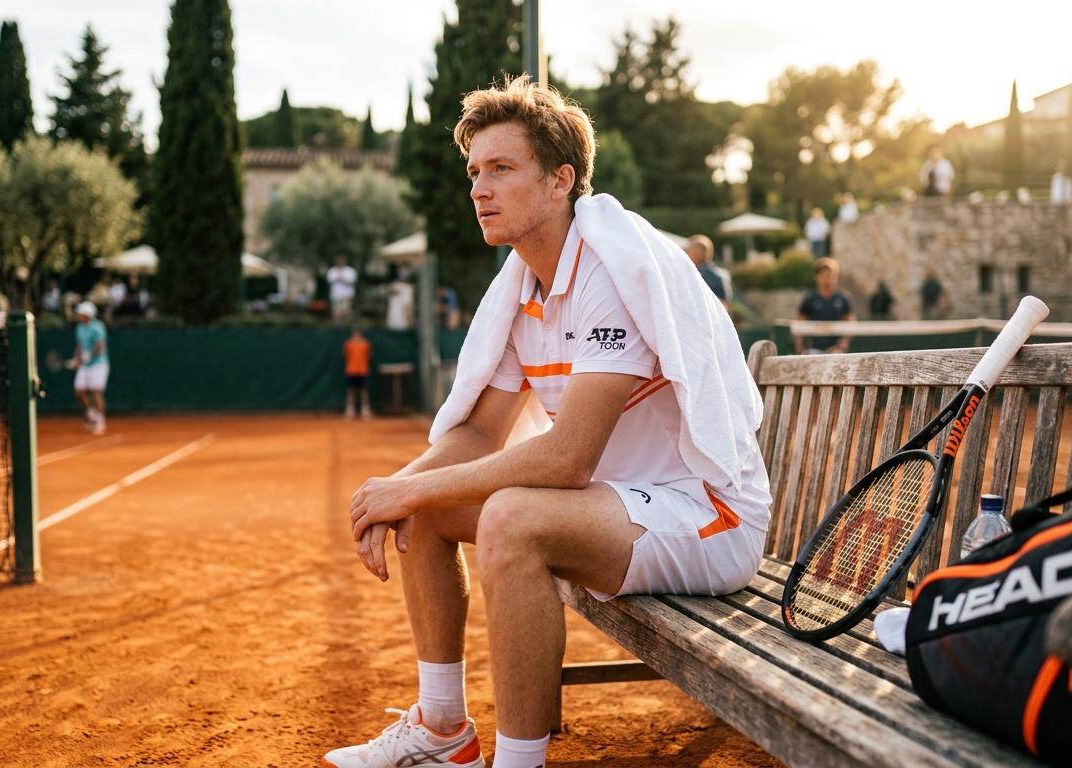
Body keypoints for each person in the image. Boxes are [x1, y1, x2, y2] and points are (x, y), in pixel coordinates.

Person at [329, 76, 769, 768]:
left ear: (562, 179)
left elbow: (567, 459)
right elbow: (477, 433)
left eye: (501, 168)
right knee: (432, 509)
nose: (479, 188)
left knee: (508, 518)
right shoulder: (521, 285)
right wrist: (396, 489)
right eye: (475, 171)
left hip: (706, 515)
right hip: (617, 506)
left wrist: (410, 488)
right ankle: (444, 728)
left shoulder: (610, 275)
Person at [792, 257, 855, 354]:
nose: (829, 280)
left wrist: (843, 344)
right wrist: (800, 346)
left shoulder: (843, 298)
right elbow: (798, 324)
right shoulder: (810, 299)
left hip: (836, 352)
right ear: (817, 277)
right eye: (825, 276)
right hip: (813, 350)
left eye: (832, 276)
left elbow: (851, 322)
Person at [68, 301, 109, 434]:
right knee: (79, 391)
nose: (78, 315)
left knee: (96, 391)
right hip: (85, 365)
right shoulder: (79, 328)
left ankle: (100, 421)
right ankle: (92, 414)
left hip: (98, 364)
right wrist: (76, 359)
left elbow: (100, 345)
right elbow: (79, 346)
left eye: (80, 313)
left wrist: (89, 356)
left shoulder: (98, 327)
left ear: (87, 315)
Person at [686, 234, 731, 310]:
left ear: (696, 254)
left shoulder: (694, 275)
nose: (685, 253)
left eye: (687, 250)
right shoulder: (722, 273)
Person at [343, 327, 373, 419]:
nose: (356, 335)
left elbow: (369, 356)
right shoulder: (348, 344)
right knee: (350, 390)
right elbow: (345, 355)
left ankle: (365, 410)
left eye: (357, 333)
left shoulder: (366, 344)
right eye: (354, 333)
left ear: (360, 334)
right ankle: (349, 410)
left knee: (364, 390)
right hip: (351, 370)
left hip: (363, 370)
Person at [327, 257, 358, 323]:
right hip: (336, 295)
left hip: (347, 295)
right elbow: (330, 280)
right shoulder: (332, 270)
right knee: (336, 313)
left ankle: (346, 326)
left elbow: (352, 280)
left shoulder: (350, 270)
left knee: (346, 312)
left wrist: (342, 278)